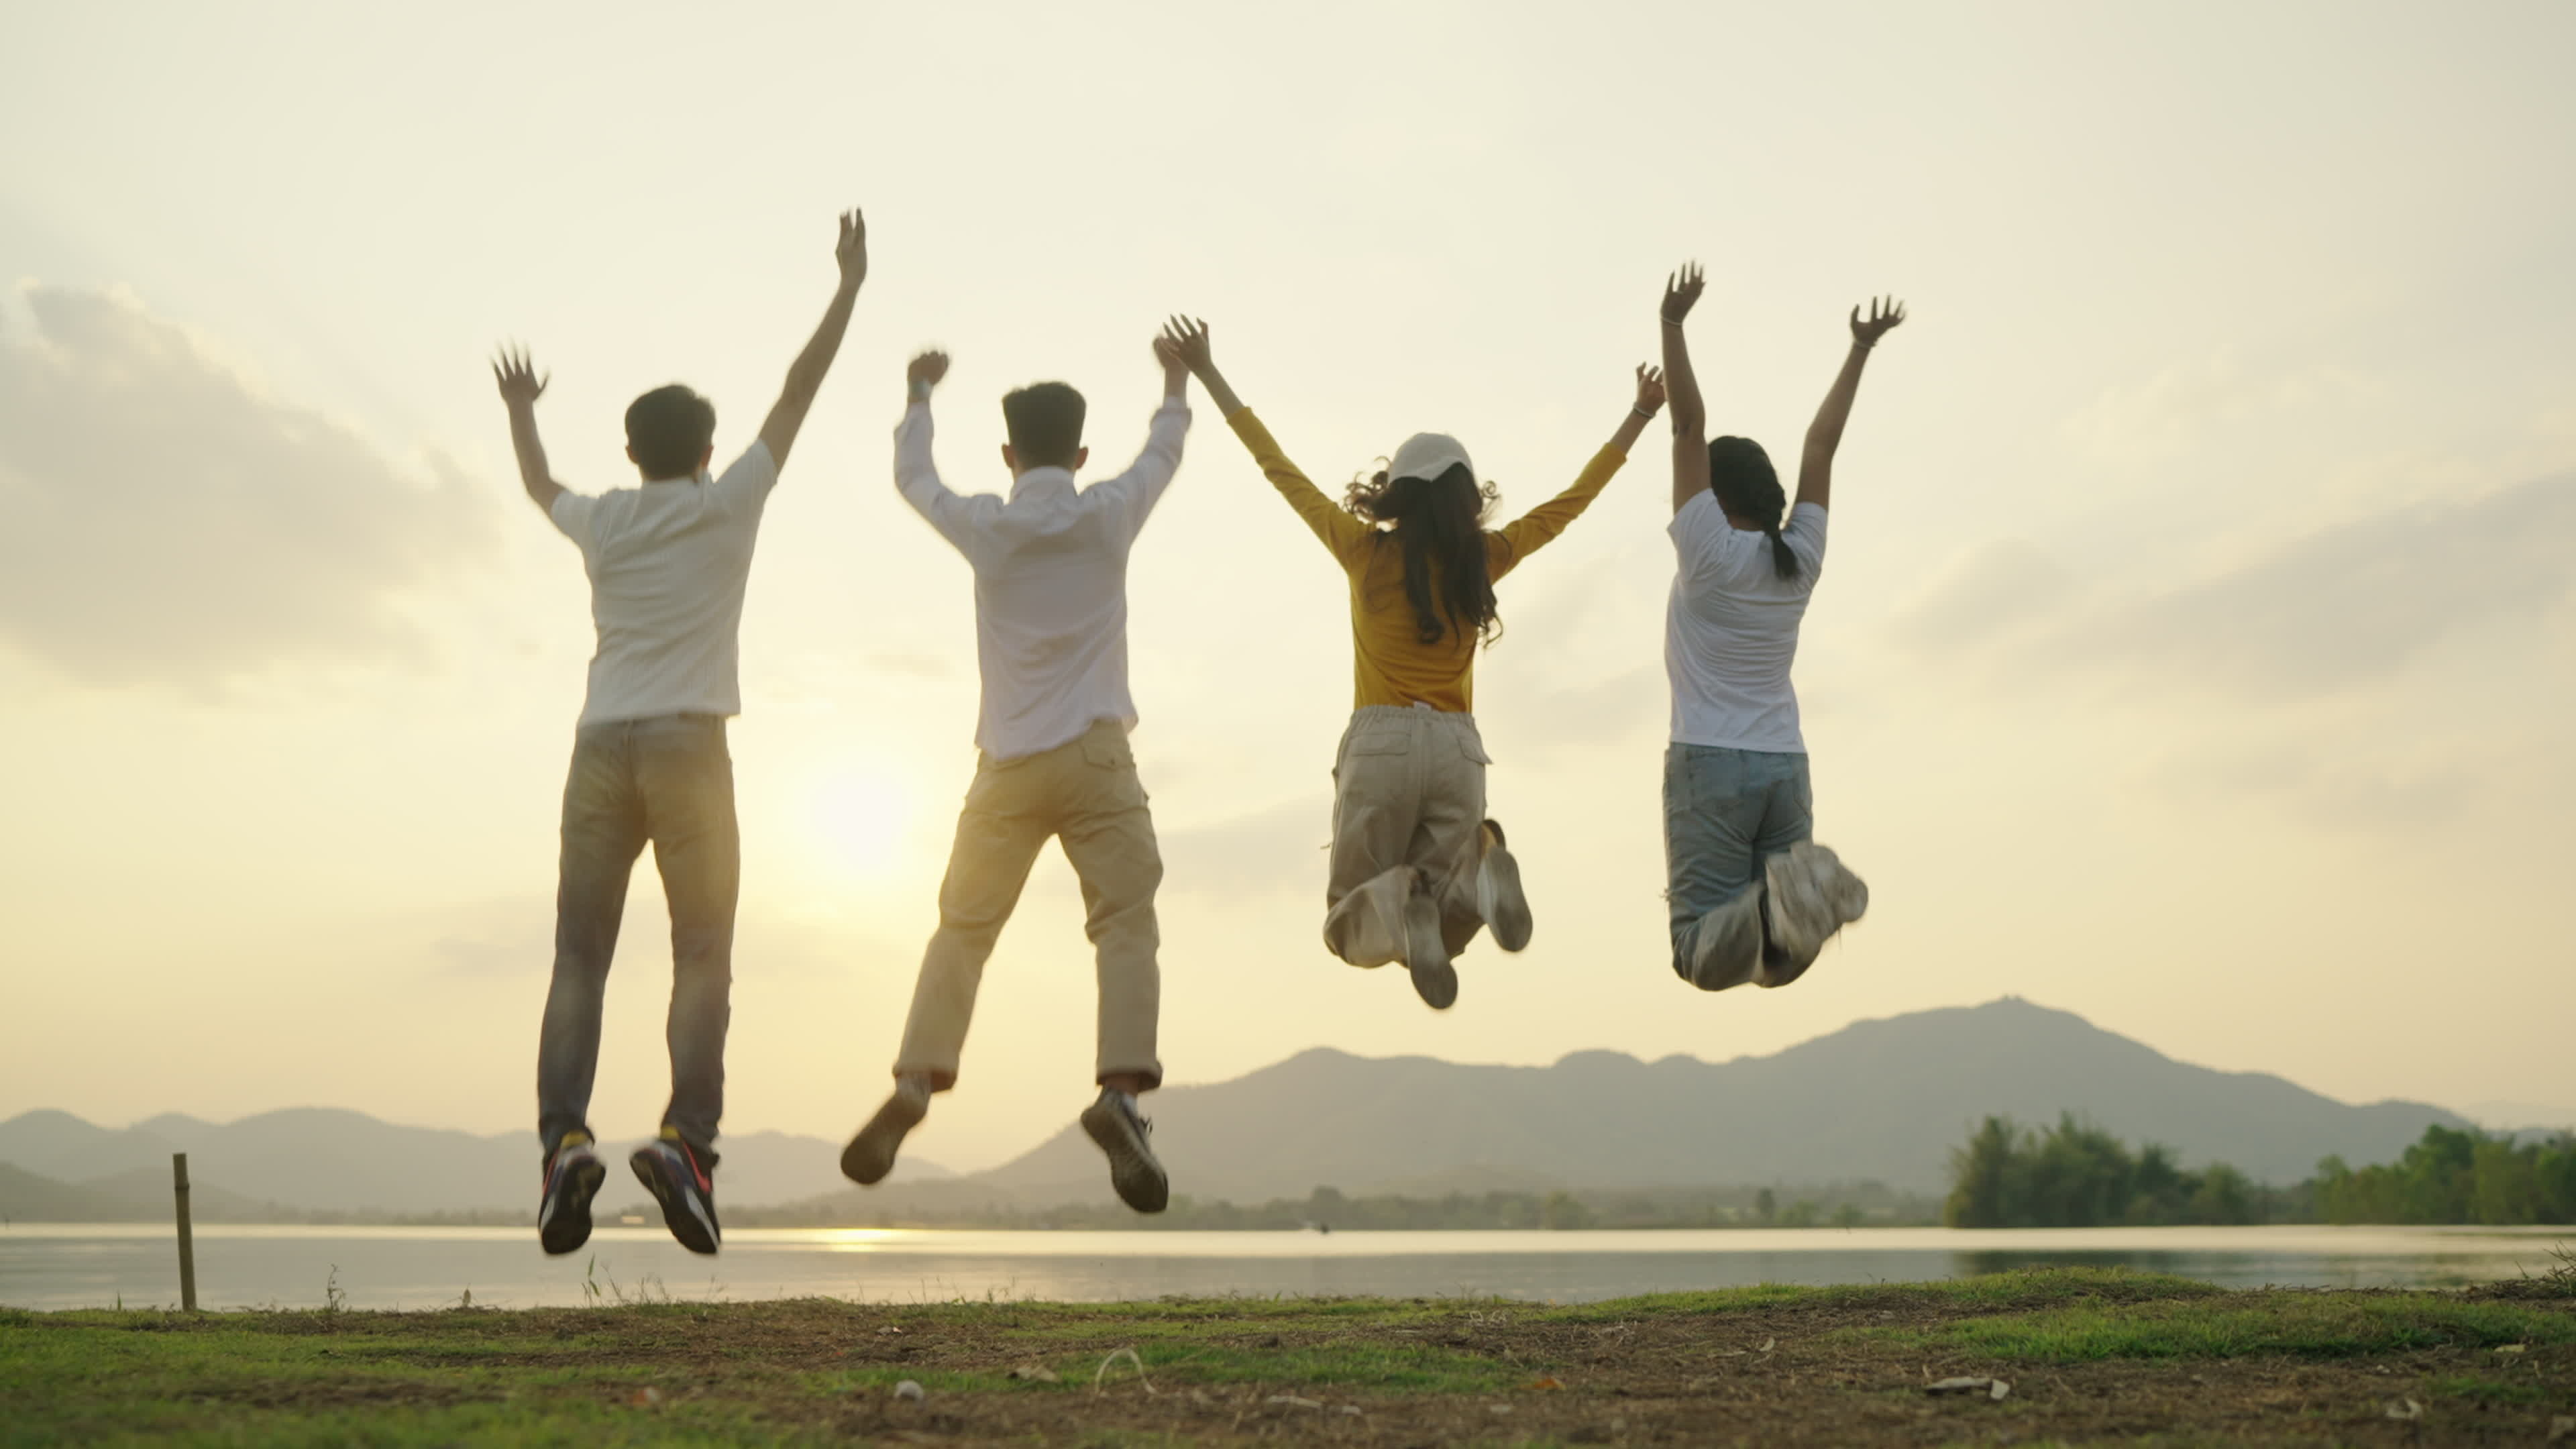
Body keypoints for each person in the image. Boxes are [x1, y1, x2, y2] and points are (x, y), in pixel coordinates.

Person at [496, 209, 867, 1257]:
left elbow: (536, 484)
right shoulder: (729, 501)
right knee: (702, 954)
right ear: (708, 452)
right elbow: (798, 394)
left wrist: (523, 409)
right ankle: (686, 1145)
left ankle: (565, 1143)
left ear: (629, 452)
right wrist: (847, 286)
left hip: (598, 748)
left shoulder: (604, 519)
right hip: (691, 752)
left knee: (579, 956)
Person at [1164, 316, 1666, 1010]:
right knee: (1448, 912)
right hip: (1460, 752)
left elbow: (1276, 465)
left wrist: (1209, 371)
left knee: (1350, 923)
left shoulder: (1364, 550)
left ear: (1397, 492)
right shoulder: (1485, 560)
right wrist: (1638, 415)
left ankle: (1403, 901)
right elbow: (1568, 508)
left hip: (1383, 743)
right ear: (1465, 497)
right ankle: (1477, 872)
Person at [839, 337, 1193, 1214]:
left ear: (1007, 455)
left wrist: (919, 393)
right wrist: (1177, 379)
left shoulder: (988, 528)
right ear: (1079, 455)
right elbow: (1166, 450)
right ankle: (1120, 1096)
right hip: (1098, 761)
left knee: (962, 930)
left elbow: (913, 480)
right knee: (1125, 925)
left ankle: (918, 1079)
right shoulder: (1109, 512)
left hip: (1005, 768)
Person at [1656, 261, 1900, 993]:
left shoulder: (1706, 553)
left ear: (1711, 491)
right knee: (1774, 964)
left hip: (1712, 764)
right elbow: (1820, 447)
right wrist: (1860, 350)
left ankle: (1770, 898)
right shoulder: (1801, 556)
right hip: (1783, 765)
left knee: (1700, 956)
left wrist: (1671, 325)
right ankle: (1789, 899)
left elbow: (1687, 424)